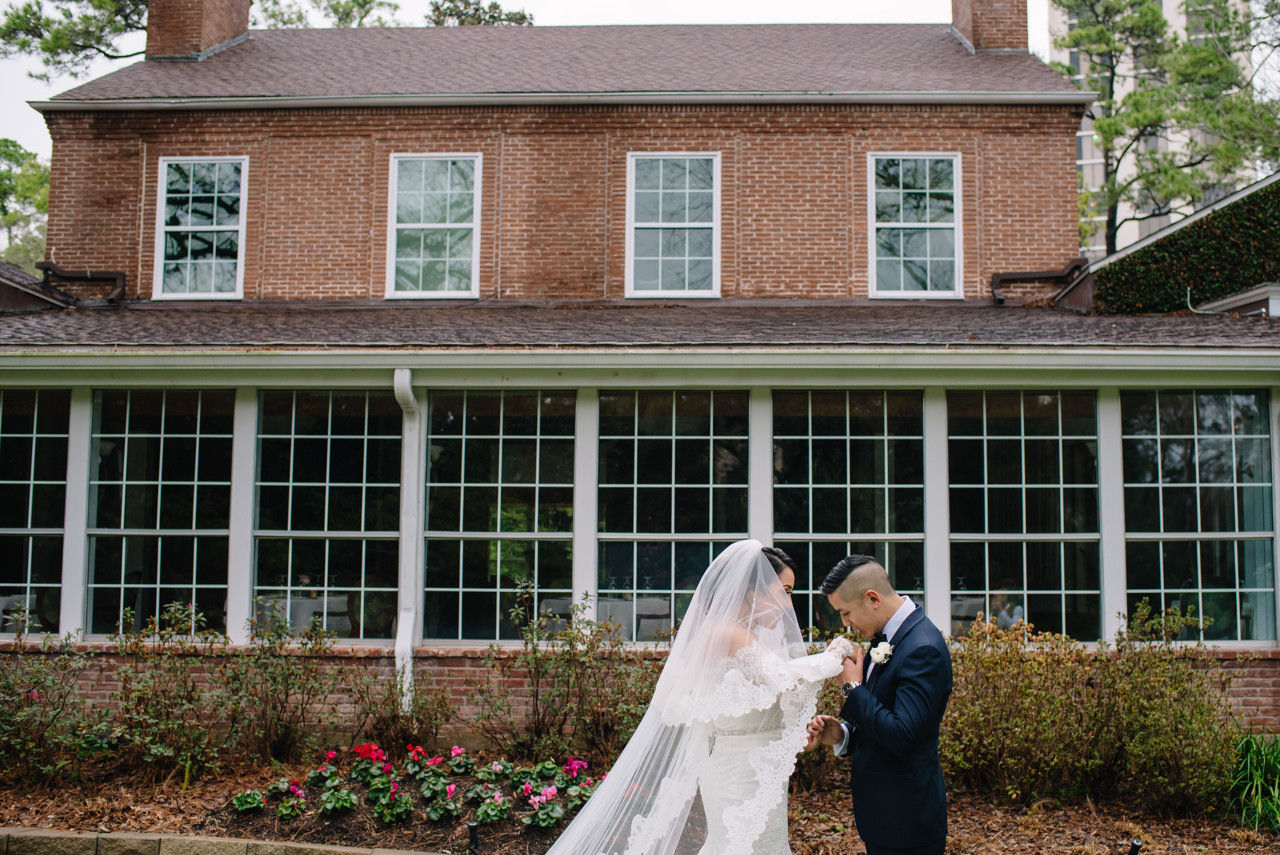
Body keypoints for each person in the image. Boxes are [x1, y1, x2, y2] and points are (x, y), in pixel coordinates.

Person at [545, 539, 851, 855]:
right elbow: (784, 678)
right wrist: (836, 653)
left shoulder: (744, 636)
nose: (789, 605)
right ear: (753, 591)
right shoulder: (728, 632)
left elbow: (760, 697)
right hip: (737, 774)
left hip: (756, 767)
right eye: (784, 592)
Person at [806, 555, 952, 855]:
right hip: (884, 819)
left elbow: (901, 735)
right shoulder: (885, 637)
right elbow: (882, 717)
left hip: (908, 823)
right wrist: (843, 734)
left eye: (846, 612)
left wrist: (852, 688)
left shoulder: (922, 648)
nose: (845, 623)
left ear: (872, 598)